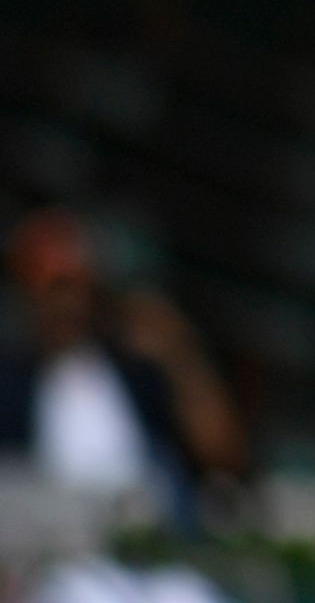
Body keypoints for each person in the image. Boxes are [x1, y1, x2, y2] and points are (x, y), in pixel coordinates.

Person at [2, 211, 245, 527]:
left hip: (148, 547)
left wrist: (180, 356)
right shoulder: (11, 383)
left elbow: (222, 456)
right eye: (56, 288)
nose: (69, 304)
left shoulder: (134, 371)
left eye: (79, 286)